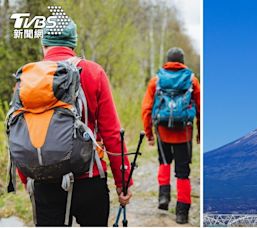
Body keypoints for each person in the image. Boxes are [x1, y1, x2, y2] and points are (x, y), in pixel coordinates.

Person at [16, 20, 133, 226]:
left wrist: (27, 178)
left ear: (44, 44)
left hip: (44, 180)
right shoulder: (93, 72)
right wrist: (123, 183)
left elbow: (19, 132)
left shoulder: (27, 77)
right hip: (89, 179)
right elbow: (112, 133)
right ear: (73, 43)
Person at [142, 47, 201, 224]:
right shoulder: (192, 80)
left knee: (164, 162)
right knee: (183, 172)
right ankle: (182, 213)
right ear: (182, 61)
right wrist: (200, 132)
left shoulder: (156, 80)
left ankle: (164, 198)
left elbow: (146, 109)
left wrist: (149, 134)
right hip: (184, 132)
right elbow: (201, 108)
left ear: (167, 61)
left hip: (162, 131)